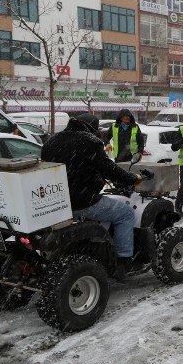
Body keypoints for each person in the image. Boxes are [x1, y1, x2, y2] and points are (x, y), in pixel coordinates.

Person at [41, 113, 141, 280]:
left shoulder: (52, 141)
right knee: (125, 214)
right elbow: (108, 168)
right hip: (83, 201)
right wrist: (131, 178)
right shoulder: (89, 141)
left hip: (58, 201)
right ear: (93, 128)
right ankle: (123, 260)